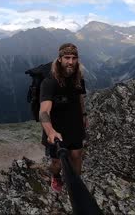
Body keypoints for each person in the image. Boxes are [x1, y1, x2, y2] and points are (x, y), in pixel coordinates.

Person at [39, 43, 88, 192]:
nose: (71, 62)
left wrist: (84, 115)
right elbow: (43, 112)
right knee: (57, 162)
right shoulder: (49, 82)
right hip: (56, 127)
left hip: (75, 123)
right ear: (60, 59)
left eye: (74, 58)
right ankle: (56, 176)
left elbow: (80, 97)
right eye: (67, 57)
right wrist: (50, 131)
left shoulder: (78, 77)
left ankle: (75, 185)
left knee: (76, 155)